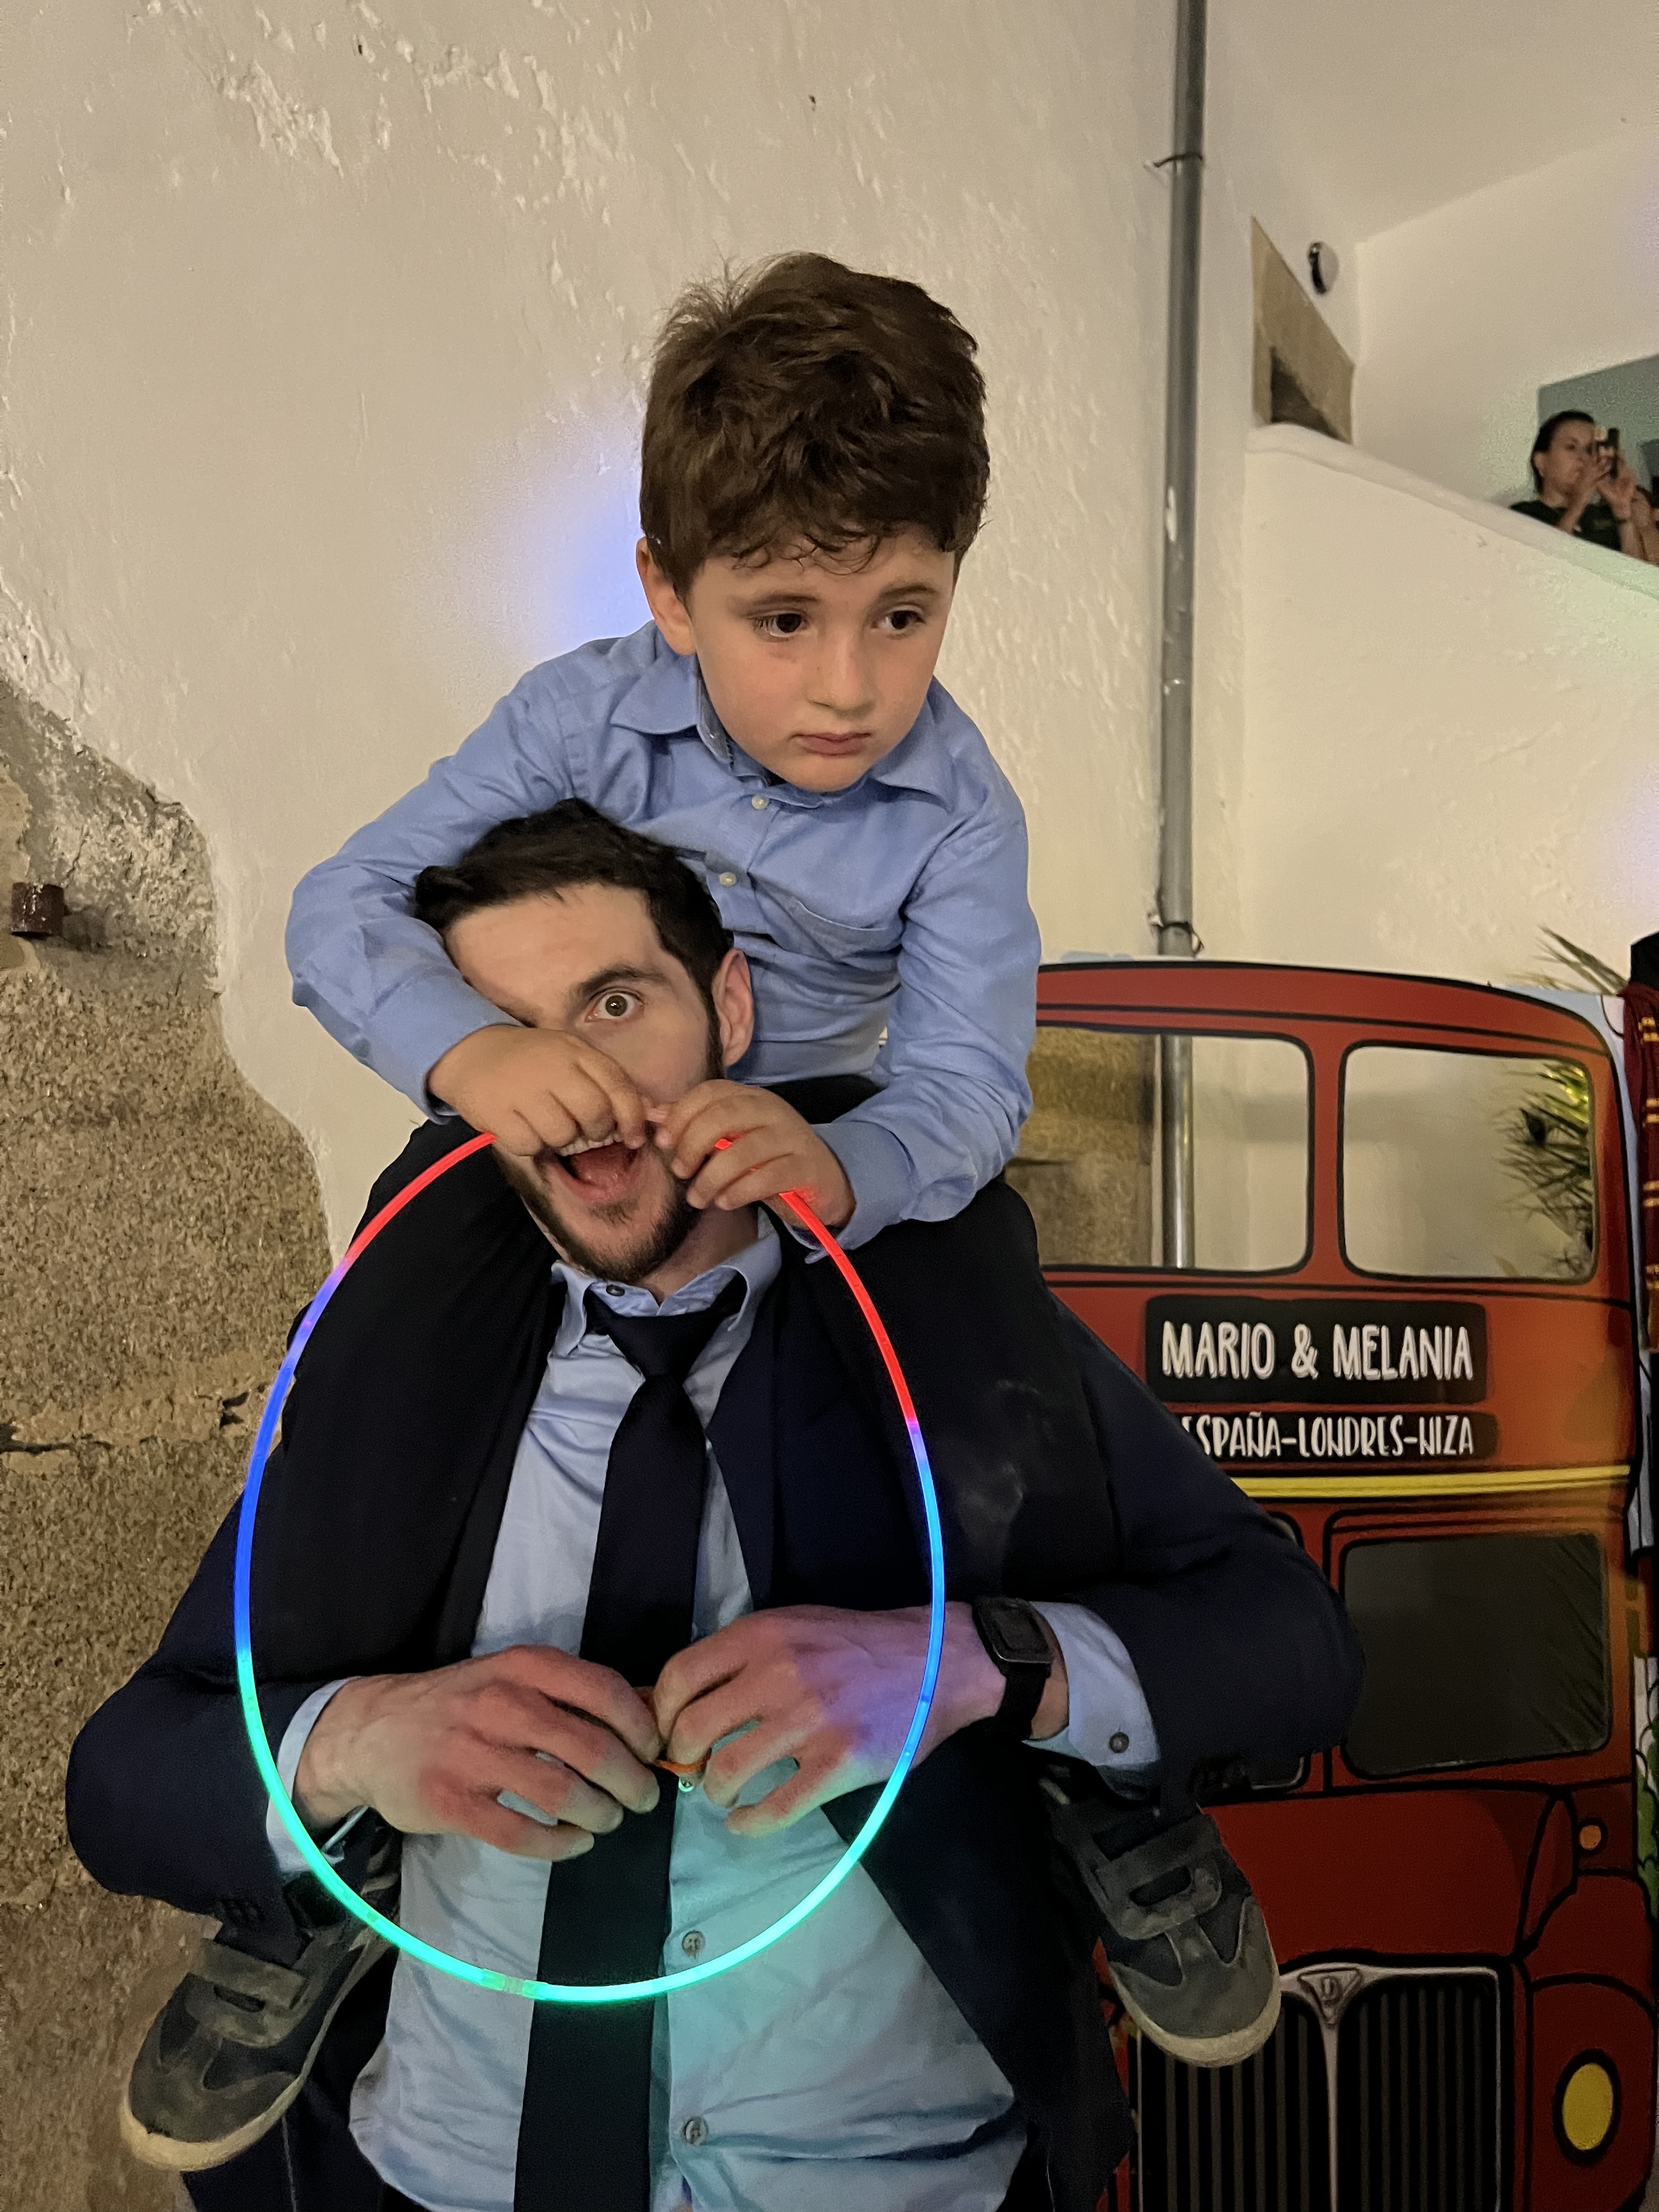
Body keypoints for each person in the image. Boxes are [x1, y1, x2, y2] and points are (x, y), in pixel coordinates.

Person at [69, 808, 1364, 2212]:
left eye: (615, 1006)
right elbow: (125, 1780)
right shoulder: (399, 1386)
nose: (575, 1088)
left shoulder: (956, 1341)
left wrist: (970, 1664)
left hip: (893, 2179)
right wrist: (360, 1745)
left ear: (729, 1008)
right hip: (447, 2173)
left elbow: (1294, 1648)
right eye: (508, 1032)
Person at [286, 250, 1038, 1255]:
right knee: (395, 1270)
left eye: (901, 616)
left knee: (984, 1276)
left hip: (809, 1130)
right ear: (671, 595)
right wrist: (474, 1052)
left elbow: (966, 1083)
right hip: (578, 1117)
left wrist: (845, 1166)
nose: (848, 687)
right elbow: (344, 902)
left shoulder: (961, 817)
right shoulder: (576, 723)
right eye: (784, 621)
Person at [1511, 409, 1647, 559]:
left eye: (1590, 450)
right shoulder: (1522, 515)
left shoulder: (1605, 515)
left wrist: (1622, 511)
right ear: (1541, 462)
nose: (1584, 458)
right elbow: (1543, 565)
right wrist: (1578, 503)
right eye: (1571, 447)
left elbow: (1634, 570)